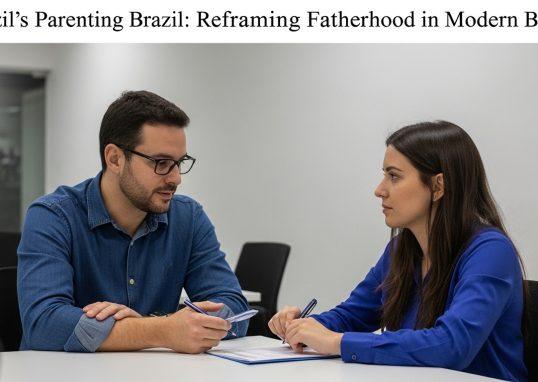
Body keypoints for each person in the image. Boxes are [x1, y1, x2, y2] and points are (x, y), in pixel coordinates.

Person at [269, 121, 527, 381]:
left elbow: (451, 345)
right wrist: (303, 327)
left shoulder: (491, 252)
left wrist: (338, 342)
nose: (380, 190)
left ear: (438, 186)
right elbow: (353, 314)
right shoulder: (400, 249)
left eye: (394, 176)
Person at [17, 90, 249, 353]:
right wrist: (162, 329)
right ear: (115, 158)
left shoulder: (189, 218)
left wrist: (172, 327)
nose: (175, 178)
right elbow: (43, 325)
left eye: (179, 163)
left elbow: (235, 309)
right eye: (161, 162)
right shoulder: (53, 216)